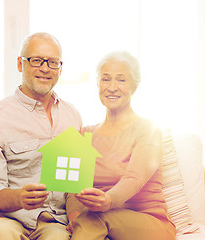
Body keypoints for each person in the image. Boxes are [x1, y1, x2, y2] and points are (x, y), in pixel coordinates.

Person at [0, 32, 82, 240]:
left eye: (52, 62)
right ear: (20, 64)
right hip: (3, 219)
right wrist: (20, 198)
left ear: (60, 68)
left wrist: (76, 214)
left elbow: (73, 183)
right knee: (1, 235)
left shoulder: (72, 116)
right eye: (37, 60)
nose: (45, 68)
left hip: (54, 221)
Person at [66, 51, 176, 240]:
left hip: (148, 223)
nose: (112, 87)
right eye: (106, 79)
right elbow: (73, 186)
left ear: (134, 86)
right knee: (87, 220)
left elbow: (134, 178)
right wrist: (75, 216)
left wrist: (107, 201)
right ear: (98, 84)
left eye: (121, 80)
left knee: (92, 220)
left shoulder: (148, 128)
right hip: (95, 221)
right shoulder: (84, 134)